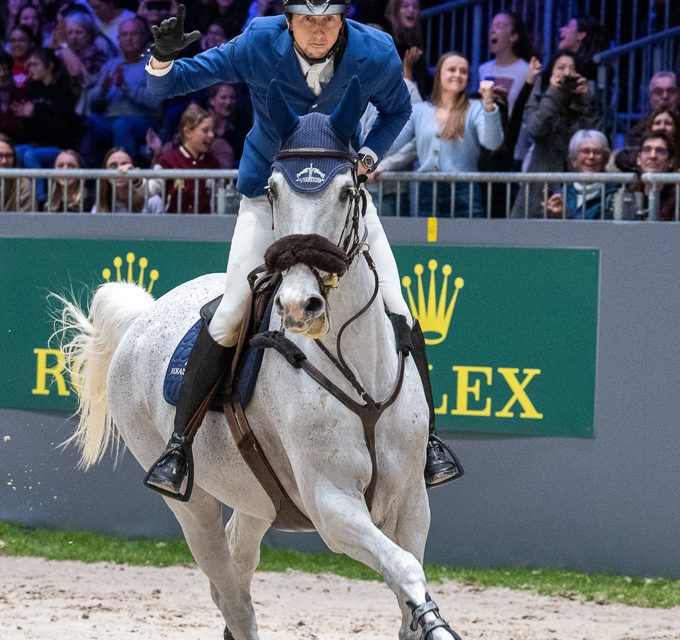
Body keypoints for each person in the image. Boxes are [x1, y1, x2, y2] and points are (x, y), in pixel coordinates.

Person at [143, 0, 461, 499]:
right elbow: (168, 85)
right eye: (308, 20)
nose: (318, 31)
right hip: (271, 199)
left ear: (343, 21)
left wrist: (368, 156)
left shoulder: (375, 49)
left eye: (329, 20)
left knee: (400, 309)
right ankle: (178, 446)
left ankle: (431, 444)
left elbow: (399, 108)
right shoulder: (257, 42)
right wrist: (161, 58)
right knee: (230, 314)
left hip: (339, 201)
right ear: (288, 21)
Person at [375, 51, 503, 218]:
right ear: (439, 75)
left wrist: (490, 106)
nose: (458, 75)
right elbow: (392, 144)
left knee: (466, 242)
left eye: (463, 71)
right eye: (452, 69)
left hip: (465, 192)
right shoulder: (420, 111)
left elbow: (492, 143)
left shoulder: (477, 107)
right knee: (431, 241)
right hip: (429, 192)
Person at [511, 50, 603, 218]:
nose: (567, 73)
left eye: (572, 68)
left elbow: (596, 139)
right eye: (561, 67)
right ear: (551, 73)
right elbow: (535, 130)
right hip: (539, 188)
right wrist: (554, 93)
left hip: (574, 188)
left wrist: (585, 99)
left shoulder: (585, 100)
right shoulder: (540, 98)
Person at [79, 16, 162, 166]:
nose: (128, 39)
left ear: (144, 37)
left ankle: (126, 177)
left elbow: (155, 102)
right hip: (108, 120)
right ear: (118, 39)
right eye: (124, 35)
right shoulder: (111, 65)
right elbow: (93, 104)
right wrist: (103, 91)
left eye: (134, 34)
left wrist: (125, 87)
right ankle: (89, 181)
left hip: (143, 120)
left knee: (121, 125)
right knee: (90, 121)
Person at [12, 47, 80, 203]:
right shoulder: (32, 88)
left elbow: (64, 124)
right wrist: (26, 117)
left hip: (60, 145)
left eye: (35, 65)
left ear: (49, 66)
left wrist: (36, 112)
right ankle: (17, 196)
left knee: (30, 156)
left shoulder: (63, 89)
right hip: (37, 143)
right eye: (29, 65)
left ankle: (39, 200)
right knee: (16, 151)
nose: (30, 69)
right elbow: (31, 127)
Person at [152, 103, 220, 213]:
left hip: (206, 225)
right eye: (205, 130)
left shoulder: (213, 162)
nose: (211, 135)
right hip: (174, 225)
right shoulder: (167, 160)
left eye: (212, 130)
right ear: (188, 132)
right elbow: (150, 189)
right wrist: (135, 178)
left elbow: (219, 198)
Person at [543, 129, 616, 220]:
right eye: (585, 151)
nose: (591, 157)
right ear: (574, 160)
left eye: (597, 152)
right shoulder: (560, 194)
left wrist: (566, 216)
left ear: (605, 160)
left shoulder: (615, 196)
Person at [57, 7, 112, 114]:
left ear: (90, 35)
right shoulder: (63, 53)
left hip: (87, 110)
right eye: (70, 33)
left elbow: (78, 73)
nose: (73, 37)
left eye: (78, 32)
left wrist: (63, 45)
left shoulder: (97, 56)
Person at [382, 0, 431, 99]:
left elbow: (424, 84)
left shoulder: (414, 43)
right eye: (405, 6)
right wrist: (407, 67)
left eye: (416, 7)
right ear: (395, 11)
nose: (411, 10)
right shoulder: (385, 39)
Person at [92, 147, 164, 213]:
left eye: (125, 164)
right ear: (105, 175)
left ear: (134, 169)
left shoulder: (152, 201)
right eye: (113, 167)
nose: (120, 170)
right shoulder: (100, 206)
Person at [625, 131, 677, 221]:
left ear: (671, 162)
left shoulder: (678, 196)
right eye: (647, 150)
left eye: (660, 151)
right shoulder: (628, 195)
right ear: (639, 159)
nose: (652, 156)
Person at [206, 82, 251, 167]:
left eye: (232, 97)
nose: (228, 102)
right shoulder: (201, 123)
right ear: (212, 100)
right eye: (223, 97)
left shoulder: (243, 124)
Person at [556, 15, 609, 81]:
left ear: (581, 35)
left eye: (567, 27)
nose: (561, 29)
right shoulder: (559, 62)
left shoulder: (588, 72)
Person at [0, 133, 32, 212]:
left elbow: (28, 221)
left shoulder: (23, 184)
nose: (4, 161)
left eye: (9, 156)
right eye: (0, 156)